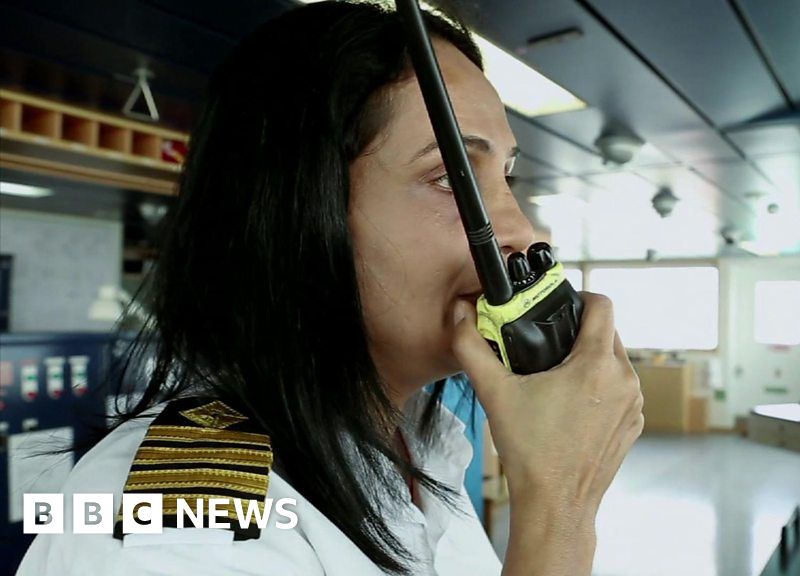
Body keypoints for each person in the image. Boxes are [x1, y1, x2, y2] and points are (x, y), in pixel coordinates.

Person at [17, 3, 643, 575]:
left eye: (506, 176)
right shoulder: (180, 518)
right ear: (299, 213)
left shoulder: (423, 441)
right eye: (452, 177)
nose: (518, 229)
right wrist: (559, 515)